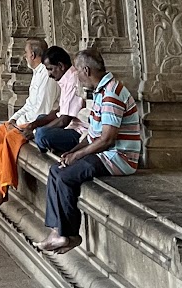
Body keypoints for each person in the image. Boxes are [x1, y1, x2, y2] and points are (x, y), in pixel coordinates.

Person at [37, 50, 143, 255]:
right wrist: (72, 151)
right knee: (56, 170)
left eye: (78, 71)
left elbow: (107, 139)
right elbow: (92, 133)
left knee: (67, 177)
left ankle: (69, 234)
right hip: (105, 153)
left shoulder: (112, 93)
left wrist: (78, 156)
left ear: (86, 70)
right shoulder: (101, 91)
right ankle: (56, 230)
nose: (76, 75)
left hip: (118, 157)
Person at [0, 40, 66, 207]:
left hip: (40, 122)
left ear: (32, 55)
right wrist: (13, 119)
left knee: (10, 138)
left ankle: (2, 191)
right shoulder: (37, 73)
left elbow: (42, 111)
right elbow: (29, 104)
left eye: (26, 53)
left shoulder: (48, 77)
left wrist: (18, 125)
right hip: (26, 120)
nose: (25, 56)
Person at [31, 49, 95, 157]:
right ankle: (50, 146)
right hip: (70, 126)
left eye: (50, 69)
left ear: (61, 66)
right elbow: (59, 111)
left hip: (79, 132)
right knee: (40, 119)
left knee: (41, 134)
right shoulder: (65, 79)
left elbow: (64, 120)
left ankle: (49, 149)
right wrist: (34, 125)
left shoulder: (73, 79)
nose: (49, 74)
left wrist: (38, 130)